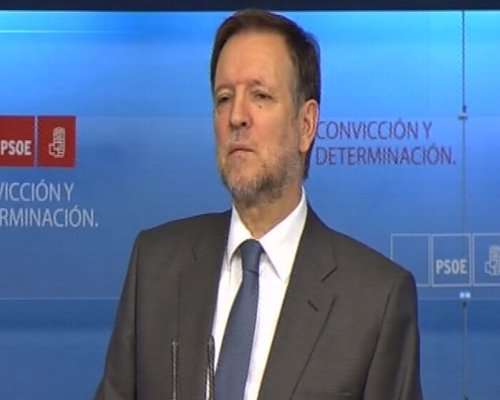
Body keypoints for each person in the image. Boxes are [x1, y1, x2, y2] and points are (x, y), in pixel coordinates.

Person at [95, 9, 422, 400]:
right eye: (224, 98)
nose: (237, 116)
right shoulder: (155, 266)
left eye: (260, 96)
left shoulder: (375, 299)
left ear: (306, 125)